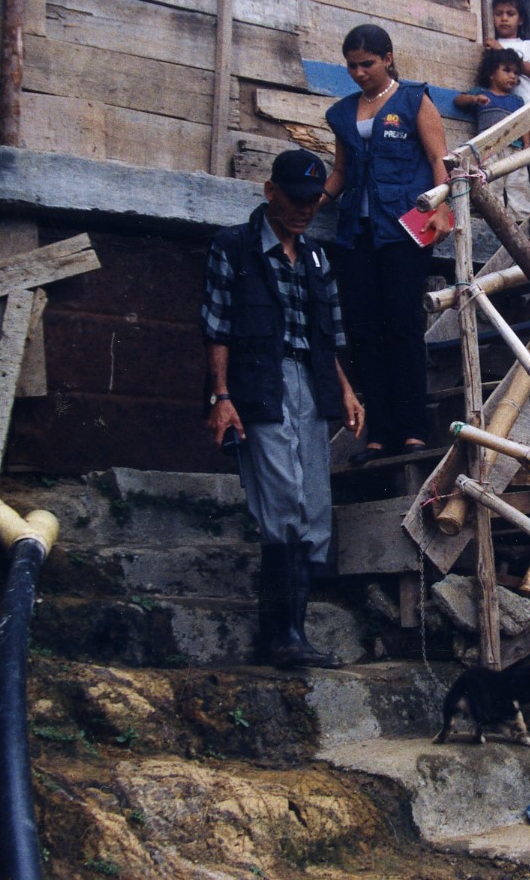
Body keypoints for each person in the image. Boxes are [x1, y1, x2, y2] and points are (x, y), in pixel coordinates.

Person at [203, 147, 365, 669]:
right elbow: (217, 327)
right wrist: (221, 397)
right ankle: (281, 637)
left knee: (314, 506)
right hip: (260, 385)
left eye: (313, 201)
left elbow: (328, 336)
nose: (304, 210)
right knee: (283, 502)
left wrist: (345, 390)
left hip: (311, 385)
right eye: (295, 199)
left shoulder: (317, 258)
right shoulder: (235, 246)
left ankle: (293, 632)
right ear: (271, 191)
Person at [320, 24, 452, 465]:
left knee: (403, 325)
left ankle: (413, 429)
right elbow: (341, 173)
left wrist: (441, 208)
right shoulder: (343, 113)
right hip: (356, 233)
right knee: (364, 331)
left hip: (403, 230)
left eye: (367, 64)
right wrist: (311, 204)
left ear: (388, 59)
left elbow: (439, 159)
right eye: (352, 66)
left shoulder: (414, 100)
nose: (359, 73)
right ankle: (379, 434)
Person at [454, 48, 530, 222]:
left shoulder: (516, 100)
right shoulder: (481, 93)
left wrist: (526, 144)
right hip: (490, 151)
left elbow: (522, 124)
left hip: (515, 149)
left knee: (519, 185)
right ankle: (492, 219)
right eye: (507, 70)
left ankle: (521, 221)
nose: (512, 76)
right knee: (492, 185)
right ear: (491, 73)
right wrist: (474, 99)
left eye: (516, 73)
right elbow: (458, 100)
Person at [486, 0, 530, 107]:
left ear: (520, 20)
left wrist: (502, 51)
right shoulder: (491, 45)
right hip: (511, 108)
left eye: (510, 14)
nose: (504, 18)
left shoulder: (529, 45)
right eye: (498, 14)